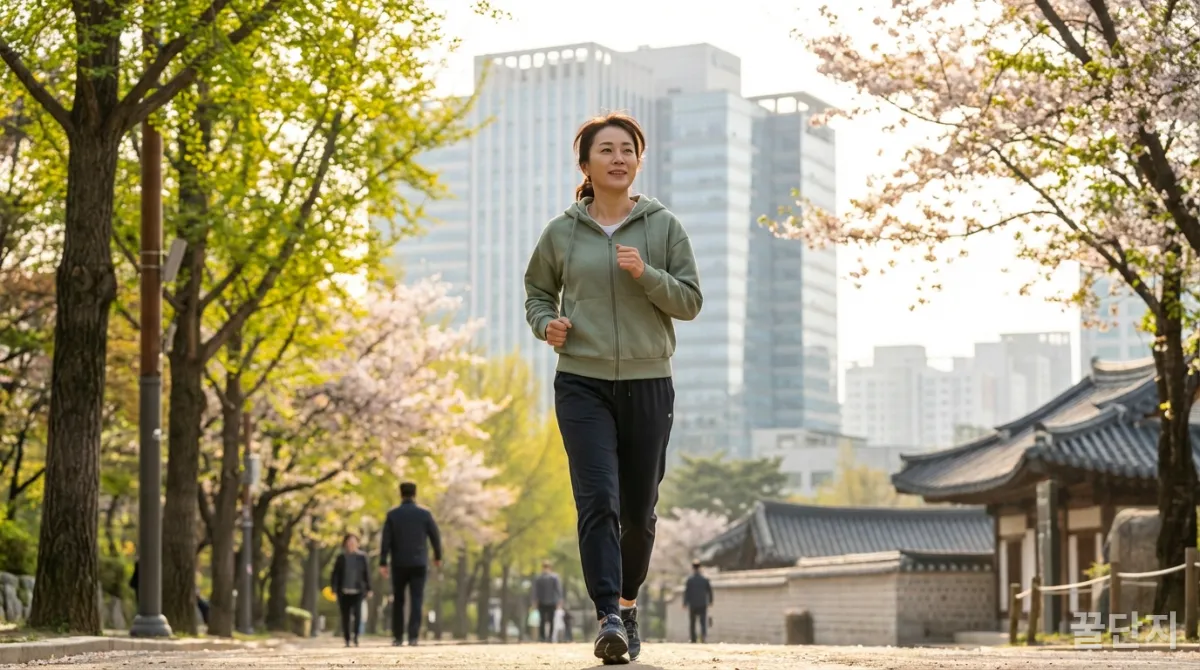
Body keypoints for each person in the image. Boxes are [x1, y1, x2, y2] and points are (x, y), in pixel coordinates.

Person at [523, 112, 703, 664]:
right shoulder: (561, 232)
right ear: (585, 164)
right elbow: (537, 294)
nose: (618, 158)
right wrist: (546, 324)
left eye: (627, 149)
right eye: (606, 150)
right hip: (582, 381)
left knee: (639, 512)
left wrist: (646, 275)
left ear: (638, 161)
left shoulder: (663, 226)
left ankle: (627, 604)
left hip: (649, 381)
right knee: (598, 498)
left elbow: (690, 301)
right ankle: (607, 617)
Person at [380, 481, 443, 647]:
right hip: (419, 562)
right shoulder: (425, 514)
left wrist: (383, 561)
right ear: (415, 494)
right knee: (417, 599)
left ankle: (398, 636)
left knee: (398, 599)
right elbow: (435, 536)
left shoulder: (393, 515)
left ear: (400, 494)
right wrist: (437, 556)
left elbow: (386, 540)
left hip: (399, 562)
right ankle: (413, 636)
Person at [331, 533, 372, 647]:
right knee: (345, 616)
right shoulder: (341, 557)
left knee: (358, 615)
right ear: (345, 543)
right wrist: (334, 588)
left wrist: (369, 588)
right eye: (349, 541)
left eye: (354, 541)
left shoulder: (362, 557)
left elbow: (366, 573)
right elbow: (335, 574)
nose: (351, 544)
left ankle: (356, 637)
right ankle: (347, 639)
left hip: (358, 591)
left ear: (357, 543)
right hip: (343, 591)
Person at [683, 559, 713, 643]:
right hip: (702, 603)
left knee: (692, 622)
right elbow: (709, 591)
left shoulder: (690, 580)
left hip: (693, 603)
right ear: (700, 567)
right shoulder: (705, 579)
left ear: (692, 568)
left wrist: (685, 603)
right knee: (703, 622)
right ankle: (703, 637)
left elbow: (687, 592)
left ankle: (693, 639)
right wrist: (710, 601)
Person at [531, 560, 562, 642]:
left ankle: (550, 637)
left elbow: (558, 589)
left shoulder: (554, 578)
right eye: (544, 567)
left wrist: (559, 600)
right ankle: (542, 637)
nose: (545, 569)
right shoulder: (539, 578)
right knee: (542, 620)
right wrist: (535, 600)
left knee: (551, 620)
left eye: (547, 567)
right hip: (542, 601)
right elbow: (535, 590)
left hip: (552, 602)